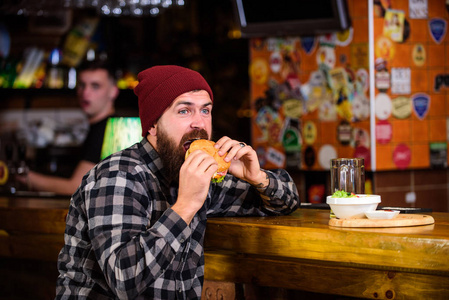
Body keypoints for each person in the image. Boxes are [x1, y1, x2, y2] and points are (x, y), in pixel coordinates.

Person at [55, 65, 300, 299]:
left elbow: (287, 202)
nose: (199, 123)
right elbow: (124, 280)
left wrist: (257, 178)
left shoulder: (200, 174)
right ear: (152, 125)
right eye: (184, 111)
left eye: (205, 110)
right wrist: (186, 205)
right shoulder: (117, 176)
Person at [17, 60, 119, 195]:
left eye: (95, 86)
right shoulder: (101, 126)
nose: (85, 93)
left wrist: (24, 177)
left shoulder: (106, 129)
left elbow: (76, 187)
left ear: (113, 92)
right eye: (82, 85)